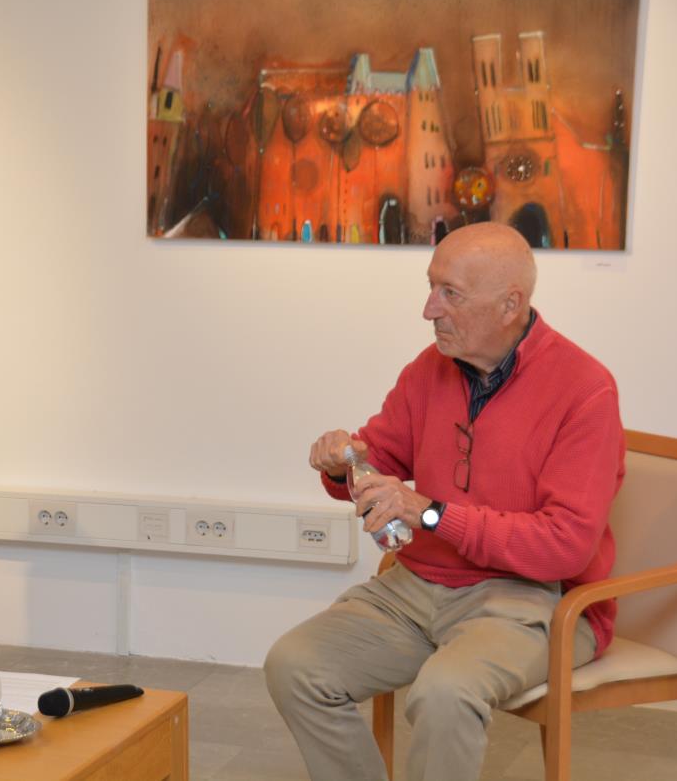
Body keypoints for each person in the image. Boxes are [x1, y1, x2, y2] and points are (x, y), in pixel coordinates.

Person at [264, 222, 625, 781]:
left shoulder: (585, 390)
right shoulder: (426, 370)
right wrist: (343, 464)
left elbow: (566, 547)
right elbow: (378, 456)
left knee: (445, 692)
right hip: (415, 589)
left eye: (450, 293)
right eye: (431, 287)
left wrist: (430, 512)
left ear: (510, 305)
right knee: (295, 666)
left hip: (533, 599)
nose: (429, 309)